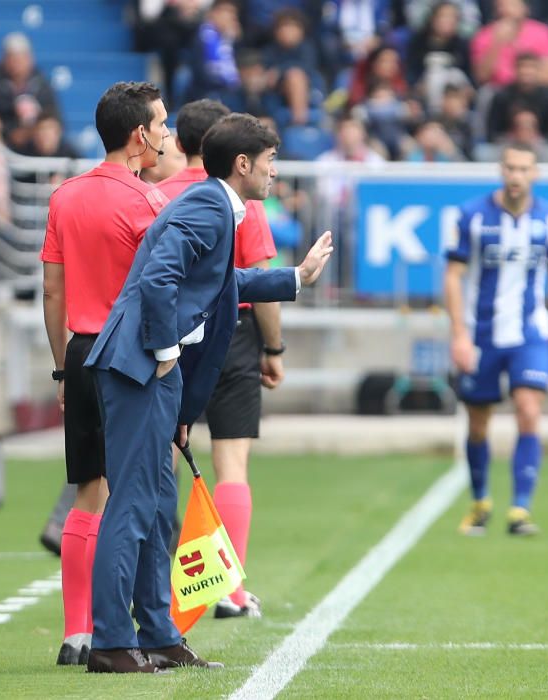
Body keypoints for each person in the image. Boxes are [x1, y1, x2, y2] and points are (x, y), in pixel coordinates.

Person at [83, 114, 333, 674]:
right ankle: (110, 641)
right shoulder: (207, 205)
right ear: (243, 165)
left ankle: (158, 633)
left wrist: (297, 277)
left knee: (156, 507)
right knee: (132, 504)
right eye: (270, 162)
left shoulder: (219, 206)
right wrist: (166, 354)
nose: (275, 173)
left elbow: (225, 284)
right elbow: (158, 280)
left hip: (148, 370)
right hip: (140, 368)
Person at [40, 81, 170, 667]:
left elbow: (51, 288)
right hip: (130, 360)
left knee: (86, 493)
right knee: (133, 496)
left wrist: (61, 367)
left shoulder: (65, 196)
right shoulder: (148, 204)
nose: (164, 134)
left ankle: (75, 634)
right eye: (160, 124)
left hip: (80, 353)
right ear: (139, 135)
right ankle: (123, 630)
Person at [156, 98, 280, 619]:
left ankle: (160, 590)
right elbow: (261, 282)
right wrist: (273, 348)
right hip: (233, 332)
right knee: (231, 464)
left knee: (161, 463)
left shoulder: (156, 195)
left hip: (167, 334)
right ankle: (226, 592)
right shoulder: (241, 202)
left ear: (181, 144)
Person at [444, 142, 548, 537]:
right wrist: (459, 335)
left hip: (530, 333)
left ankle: (520, 508)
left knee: (529, 410)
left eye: (524, 169)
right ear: (501, 171)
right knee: (479, 421)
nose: (516, 176)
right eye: (510, 168)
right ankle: (481, 500)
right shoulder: (471, 215)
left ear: (534, 173)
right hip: (482, 334)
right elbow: (453, 275)